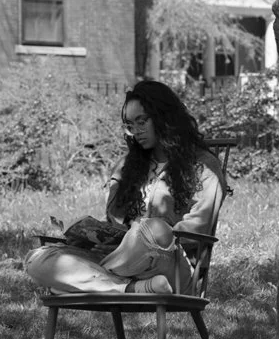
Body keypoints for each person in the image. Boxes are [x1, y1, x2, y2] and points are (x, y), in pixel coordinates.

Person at [24, 80, 222, 297]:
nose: (136, 131)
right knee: (38, 259)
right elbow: (114, 223)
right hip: (122, 263)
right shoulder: (127, 167)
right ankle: (132, 289)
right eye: (130, 125)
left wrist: (134, 242)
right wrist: (96, 240)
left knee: (155, 229)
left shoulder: (203, 166)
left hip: (170, 268)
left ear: (165, 117)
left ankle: (88, 282)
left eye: (142, 121)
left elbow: (197, 230)